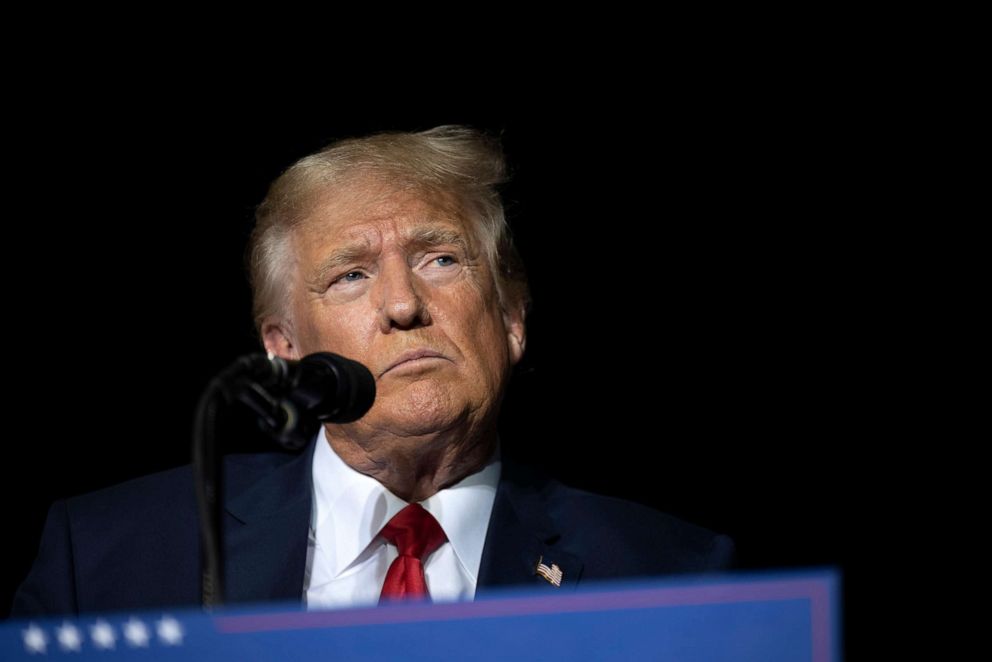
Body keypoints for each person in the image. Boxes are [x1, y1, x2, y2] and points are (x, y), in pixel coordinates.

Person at [11, 126, 734, 616]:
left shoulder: (674, 576)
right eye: (351, 275)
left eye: (440, 259)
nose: (402, 304)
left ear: (512, 319)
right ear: (283, 349)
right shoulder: (106, 557)